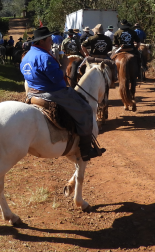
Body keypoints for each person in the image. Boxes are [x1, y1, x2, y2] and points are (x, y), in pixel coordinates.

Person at [21, 27, 103, 161]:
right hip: (52, 93)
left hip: (32, 94)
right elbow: (57, 78)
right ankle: (85, 149)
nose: (51, 42)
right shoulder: (44, 56)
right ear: (41, 41)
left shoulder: (27, 56)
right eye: (49, 40)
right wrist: (64, 65)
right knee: (86, 109)